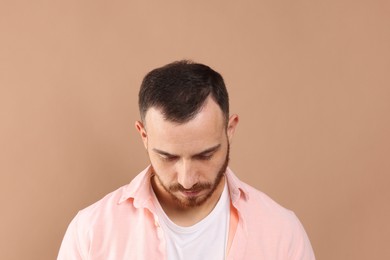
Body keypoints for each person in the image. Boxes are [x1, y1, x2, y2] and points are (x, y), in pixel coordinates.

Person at [58, 60, 315, 259]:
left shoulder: (281, 231)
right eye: (167, 157)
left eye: (205, 155)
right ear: (144, 135)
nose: (187, 179)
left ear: (230, 130)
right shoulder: (91, 231)